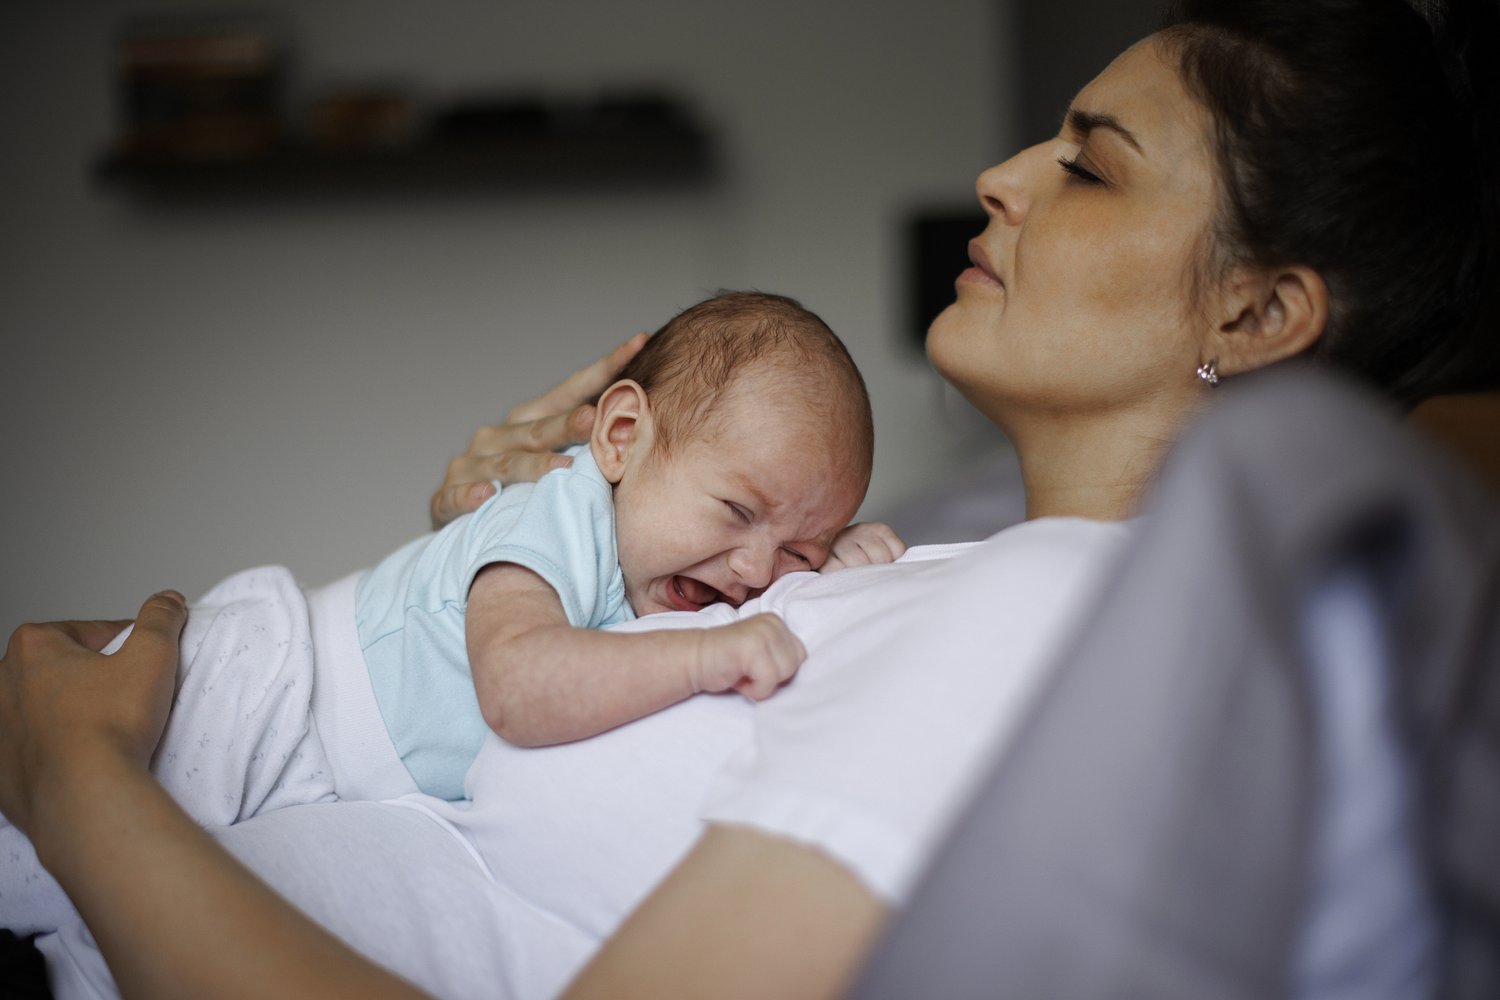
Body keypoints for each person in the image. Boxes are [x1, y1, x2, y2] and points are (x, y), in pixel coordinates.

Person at [1, 0, 1496, 997]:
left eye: (1089, 170)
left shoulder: (1061, 615)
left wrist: (81, 786)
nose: (997, 175)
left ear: (1253, 316)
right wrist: (514, 547)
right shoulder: (955, 568)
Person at [0, 290, 906, 935]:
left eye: (799, 548)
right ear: (623, 438)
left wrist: (841, 564)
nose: (757, 571)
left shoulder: (694, 565)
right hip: (265, 703)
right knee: (32, 857)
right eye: (737, 512)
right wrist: (708, 658)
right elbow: (517, 684)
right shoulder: (558, 512)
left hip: (326, 765)